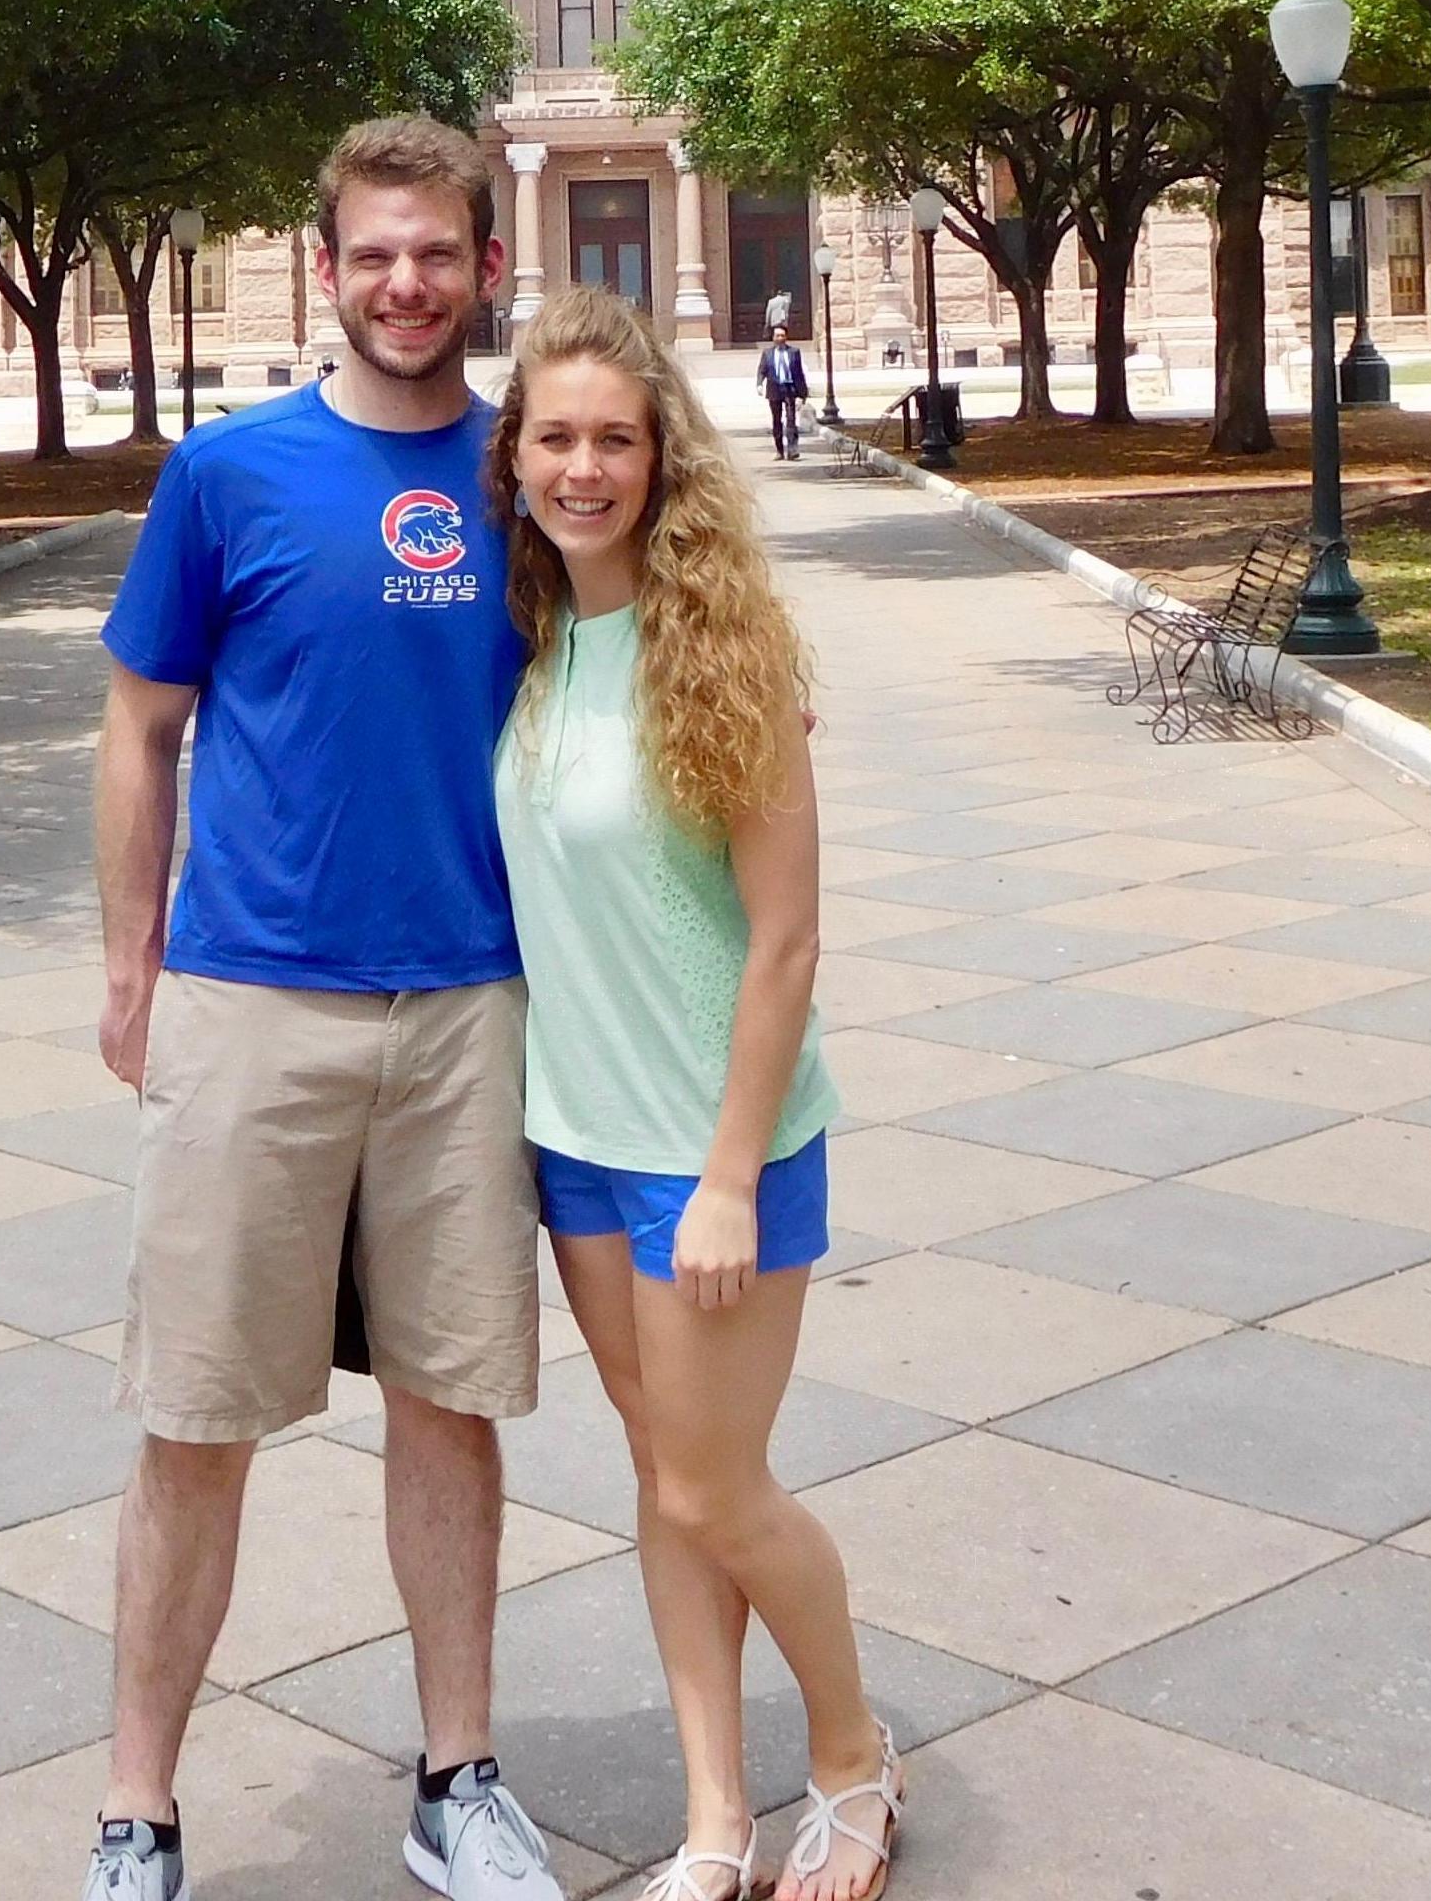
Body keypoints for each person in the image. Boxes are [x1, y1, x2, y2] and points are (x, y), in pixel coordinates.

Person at [84, 117, 568, 1901]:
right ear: (326, 267)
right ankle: (138, 1809)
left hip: (465, 1008)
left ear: (487, 268)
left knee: (452, 1405)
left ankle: (460, 1777)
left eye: (438, 252)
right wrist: (132, 966)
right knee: (195, 1416)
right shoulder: (230, 476)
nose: (406, 282)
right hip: (253, 1003)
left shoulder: (538, 479)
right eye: (374, 253)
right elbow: (140, 727)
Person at [486, 287, 904, 1901]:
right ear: (512, 452)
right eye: (555, 435)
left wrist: (729, 1173)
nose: (582, 465)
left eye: (614, 437)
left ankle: (856, 1761)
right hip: (572, 1142)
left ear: (663, 459)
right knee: (662, 1476)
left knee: (715, 1483)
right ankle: (714, 1818)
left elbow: (788, 940)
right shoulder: (527, 643)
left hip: (711, 1150)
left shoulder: (718, 649)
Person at [756, 320, 810, 460]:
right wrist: (759, 384)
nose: (780, 338)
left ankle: (792, 450)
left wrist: (802, 395)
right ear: (773, 338)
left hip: (790, 388)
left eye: (782, 335)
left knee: (791, 420)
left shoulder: (794, 352)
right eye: (777, 336)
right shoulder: (767, 353)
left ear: (786, 337)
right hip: (774, 389)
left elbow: (799, 374)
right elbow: (762, 370)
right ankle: (779, 450)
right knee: (777, 420)